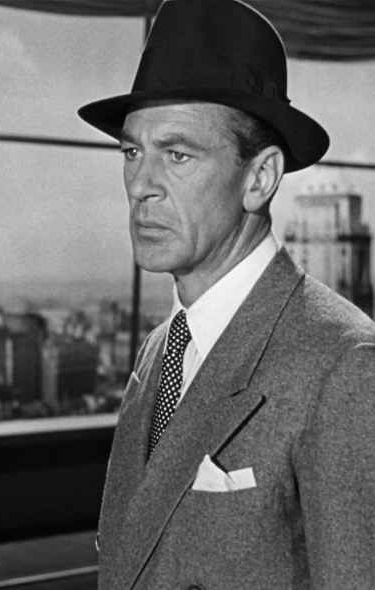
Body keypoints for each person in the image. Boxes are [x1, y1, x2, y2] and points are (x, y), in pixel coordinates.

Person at [77, 1, 375, 588]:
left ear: (259, 178)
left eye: (178, 154)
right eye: (133, 152)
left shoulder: (343, 364)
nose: (141, 185)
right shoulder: (160, 351)